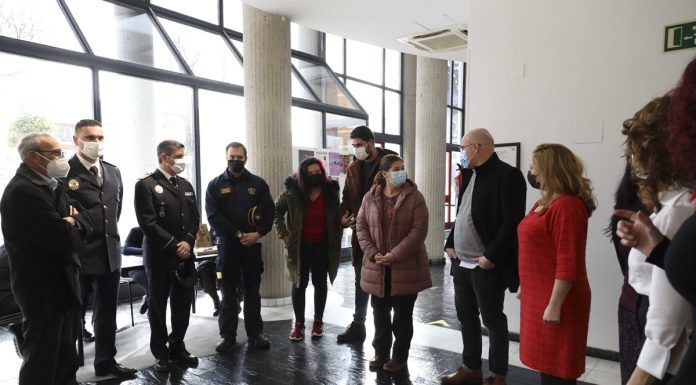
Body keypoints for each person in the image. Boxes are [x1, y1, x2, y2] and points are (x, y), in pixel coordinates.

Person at [616, 56, 696, 385]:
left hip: (664, 352)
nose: (632, 161)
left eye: (636, 150)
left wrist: (641, 376)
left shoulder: (680, 209)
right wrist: (652, 245)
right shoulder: (672, 205)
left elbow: (668, 314)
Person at [1, 133, 93, 385]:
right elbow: (64, 239)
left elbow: (88, 220)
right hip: (42, 289)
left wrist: (74, 221)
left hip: (64, 282)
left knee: (66, 357)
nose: (61, 158)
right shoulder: (22, 191)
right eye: (55, 153)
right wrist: (73, 224)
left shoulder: (52, 184)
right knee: (42, 360)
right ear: (34, 156)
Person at [441, 129, 527, 385]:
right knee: (465, 316)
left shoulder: (508, 176)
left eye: (462, 147)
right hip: (461, 263)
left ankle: (498, 375)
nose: (461, 152)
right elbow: (463, 213)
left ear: (476, 147)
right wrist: (450, 242)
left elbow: (511, 222)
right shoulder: (469, 174)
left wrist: (491, 256)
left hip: (485, 265)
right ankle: (471, 368)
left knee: (492, 320)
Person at [517, 143, 595, 385]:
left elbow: (568, 260)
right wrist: (525, 285)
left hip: (559, 300)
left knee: (558, 373)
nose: (531, 172)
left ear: (550, 170)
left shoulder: (567, 206)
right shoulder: (545, 203)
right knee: (547, 370)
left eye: (534, 167)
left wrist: (554, 304)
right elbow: (538, 249)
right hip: (538, 295)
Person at [64, 119, 136, 378]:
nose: (96, 143)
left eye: (100, 137)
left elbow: (114, 213)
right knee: (73, 317)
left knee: (107, 314)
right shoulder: (64, 173)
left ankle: (106, 363)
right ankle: (67, 371)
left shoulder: (113, 171)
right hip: (79, 256)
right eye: (90, 137)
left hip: (109, 253)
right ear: (76, 140)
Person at [356, 154, 431, 372]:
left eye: (403, 168)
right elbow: (361, 227)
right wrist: (373, 253)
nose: (401, 172)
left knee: (402, 317)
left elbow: (419, 231)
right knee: (379, 315)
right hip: (377, 267)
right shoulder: (370, 198)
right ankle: (380, 353)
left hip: (406, 267)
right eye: (396, 168)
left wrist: (394, 255)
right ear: (384, 173)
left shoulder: (415, 197)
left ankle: (399, 357)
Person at [134, 140, 200, 372]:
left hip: (184, 256)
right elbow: (148, 223)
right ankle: (160, 353)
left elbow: (194, 218)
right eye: (179, 156)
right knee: (158, 306)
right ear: (164, 157)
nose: (183, 160)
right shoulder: (146, 184)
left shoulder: (186, 184)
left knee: (182, 304)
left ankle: (177, 347)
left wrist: (188, 242)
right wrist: (175, 245)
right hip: (160, 256)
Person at [206, 142, 275, 352]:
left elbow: (270, 212)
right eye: (232, 157)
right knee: (227, 292)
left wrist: (258, 233)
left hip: (251, 246)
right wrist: (237, 234)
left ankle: (256, 335)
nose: (235, 160)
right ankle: (228, 337)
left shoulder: (258, 184)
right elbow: (213, 217)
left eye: (239, 157)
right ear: (226, 157)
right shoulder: (215, 185)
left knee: (252, 292)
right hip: (227, 247)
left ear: (246, 158)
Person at [337, 125, 397, 344]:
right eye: (354, 146)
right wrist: (343, 217)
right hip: (360, 236)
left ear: (371, 143)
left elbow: (398, 194)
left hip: (384, 235)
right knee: (360, 281)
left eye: (359, 145)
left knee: (385, 286)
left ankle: (384, 332)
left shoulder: (390, 162)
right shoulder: (353, 168)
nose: (357, 149)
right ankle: (358, 324)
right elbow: (346, 199)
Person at [274, 157, 343, 341]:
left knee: (320, 283)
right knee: (299, 284)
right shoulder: (292, 191)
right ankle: (299, 324)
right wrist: (283, 234)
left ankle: (318, 322)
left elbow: (337, 217)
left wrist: (342, 225)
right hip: (299, 245)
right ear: (303, 175)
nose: (315, 175)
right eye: (310, 173)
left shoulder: (331, 191)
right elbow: (276, 211)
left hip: (323, 245)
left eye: (317, 172)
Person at [607, 164, 647, 385]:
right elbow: (626, 266)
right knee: (630, 373)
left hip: (664, 313)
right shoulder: (626, 207)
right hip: (630, 304)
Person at [122, 227, 149, 314]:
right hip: (136, 268)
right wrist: (146, 250)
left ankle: (148, 299)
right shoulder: (136, 231)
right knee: (152, 286)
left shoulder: (161, 231)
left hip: (153, 266)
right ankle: (152, 312)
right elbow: (125, 249)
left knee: (164, 285)